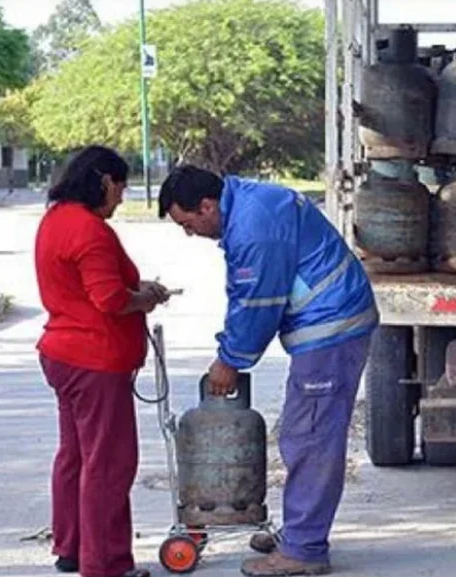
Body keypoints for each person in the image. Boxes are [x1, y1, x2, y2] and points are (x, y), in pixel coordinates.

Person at [158, 166, 378, 577]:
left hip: (331, 328)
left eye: (188, 224)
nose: (190, 233)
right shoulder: (246, 202)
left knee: (310, 438)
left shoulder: (254, 227)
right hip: (330, 323)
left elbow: (257, 301)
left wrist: (230, 359)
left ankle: (305, 549)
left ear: (207, 206)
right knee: (304, 434)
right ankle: (298, 534)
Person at [34, 145, 171, 577]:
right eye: (121, 187)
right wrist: (145, 298)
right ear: (106, 181)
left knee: (75, 456)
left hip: (63, 354)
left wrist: (138, 288)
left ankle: (71, 547)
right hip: (95, 359)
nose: (121, 197)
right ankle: (106, 563)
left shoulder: (55, 220)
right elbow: (110, 298)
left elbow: (92, 285)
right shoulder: (90, 230)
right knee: (108, 463)